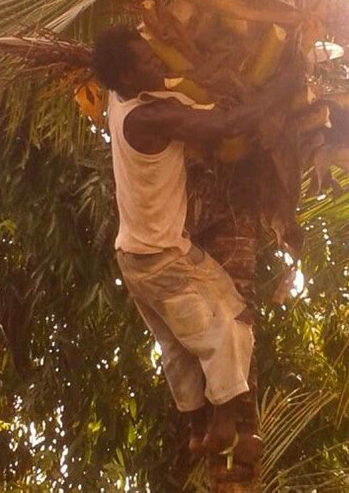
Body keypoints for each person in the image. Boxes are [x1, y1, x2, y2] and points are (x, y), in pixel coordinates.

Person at [91, 25, 274, 463]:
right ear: (128, 77)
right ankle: (226, 426)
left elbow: (146, 71)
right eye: (147, 60)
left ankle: (196, 431)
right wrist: (280, 90)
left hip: (133, 256)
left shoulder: (120, 100)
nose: (158, 61)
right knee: (230, 322)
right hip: (162, 259)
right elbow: (228, 125)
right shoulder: (152, 118)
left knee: (176, 345)